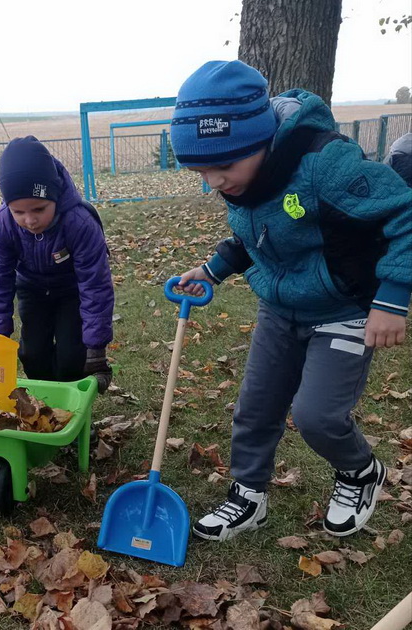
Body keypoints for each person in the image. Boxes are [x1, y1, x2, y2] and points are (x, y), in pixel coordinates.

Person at [171, 61, 412, 541]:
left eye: (223, 168)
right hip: (280, 311)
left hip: (344, 311)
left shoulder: (326, 164)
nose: (215, 182)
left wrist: (393, 298)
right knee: (255, 407)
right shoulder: (243, 173)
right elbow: (255, 233)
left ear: (262, 139)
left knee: (317, 416)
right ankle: (248, 495)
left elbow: (404, 211)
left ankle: (360, 472)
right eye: (201, 171)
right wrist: (213, 269)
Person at [0, 136, 114, 392]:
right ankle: (43, 412)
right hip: (32, 290)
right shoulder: (2, 224)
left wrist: (96, 349)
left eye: (39, 209)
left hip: (71, 292)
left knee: (71, 357)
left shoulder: (80, 222)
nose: (30, 220)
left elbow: (95, 285)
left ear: (55, 196)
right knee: (33, 354)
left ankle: (74, 419)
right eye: (18, 212)